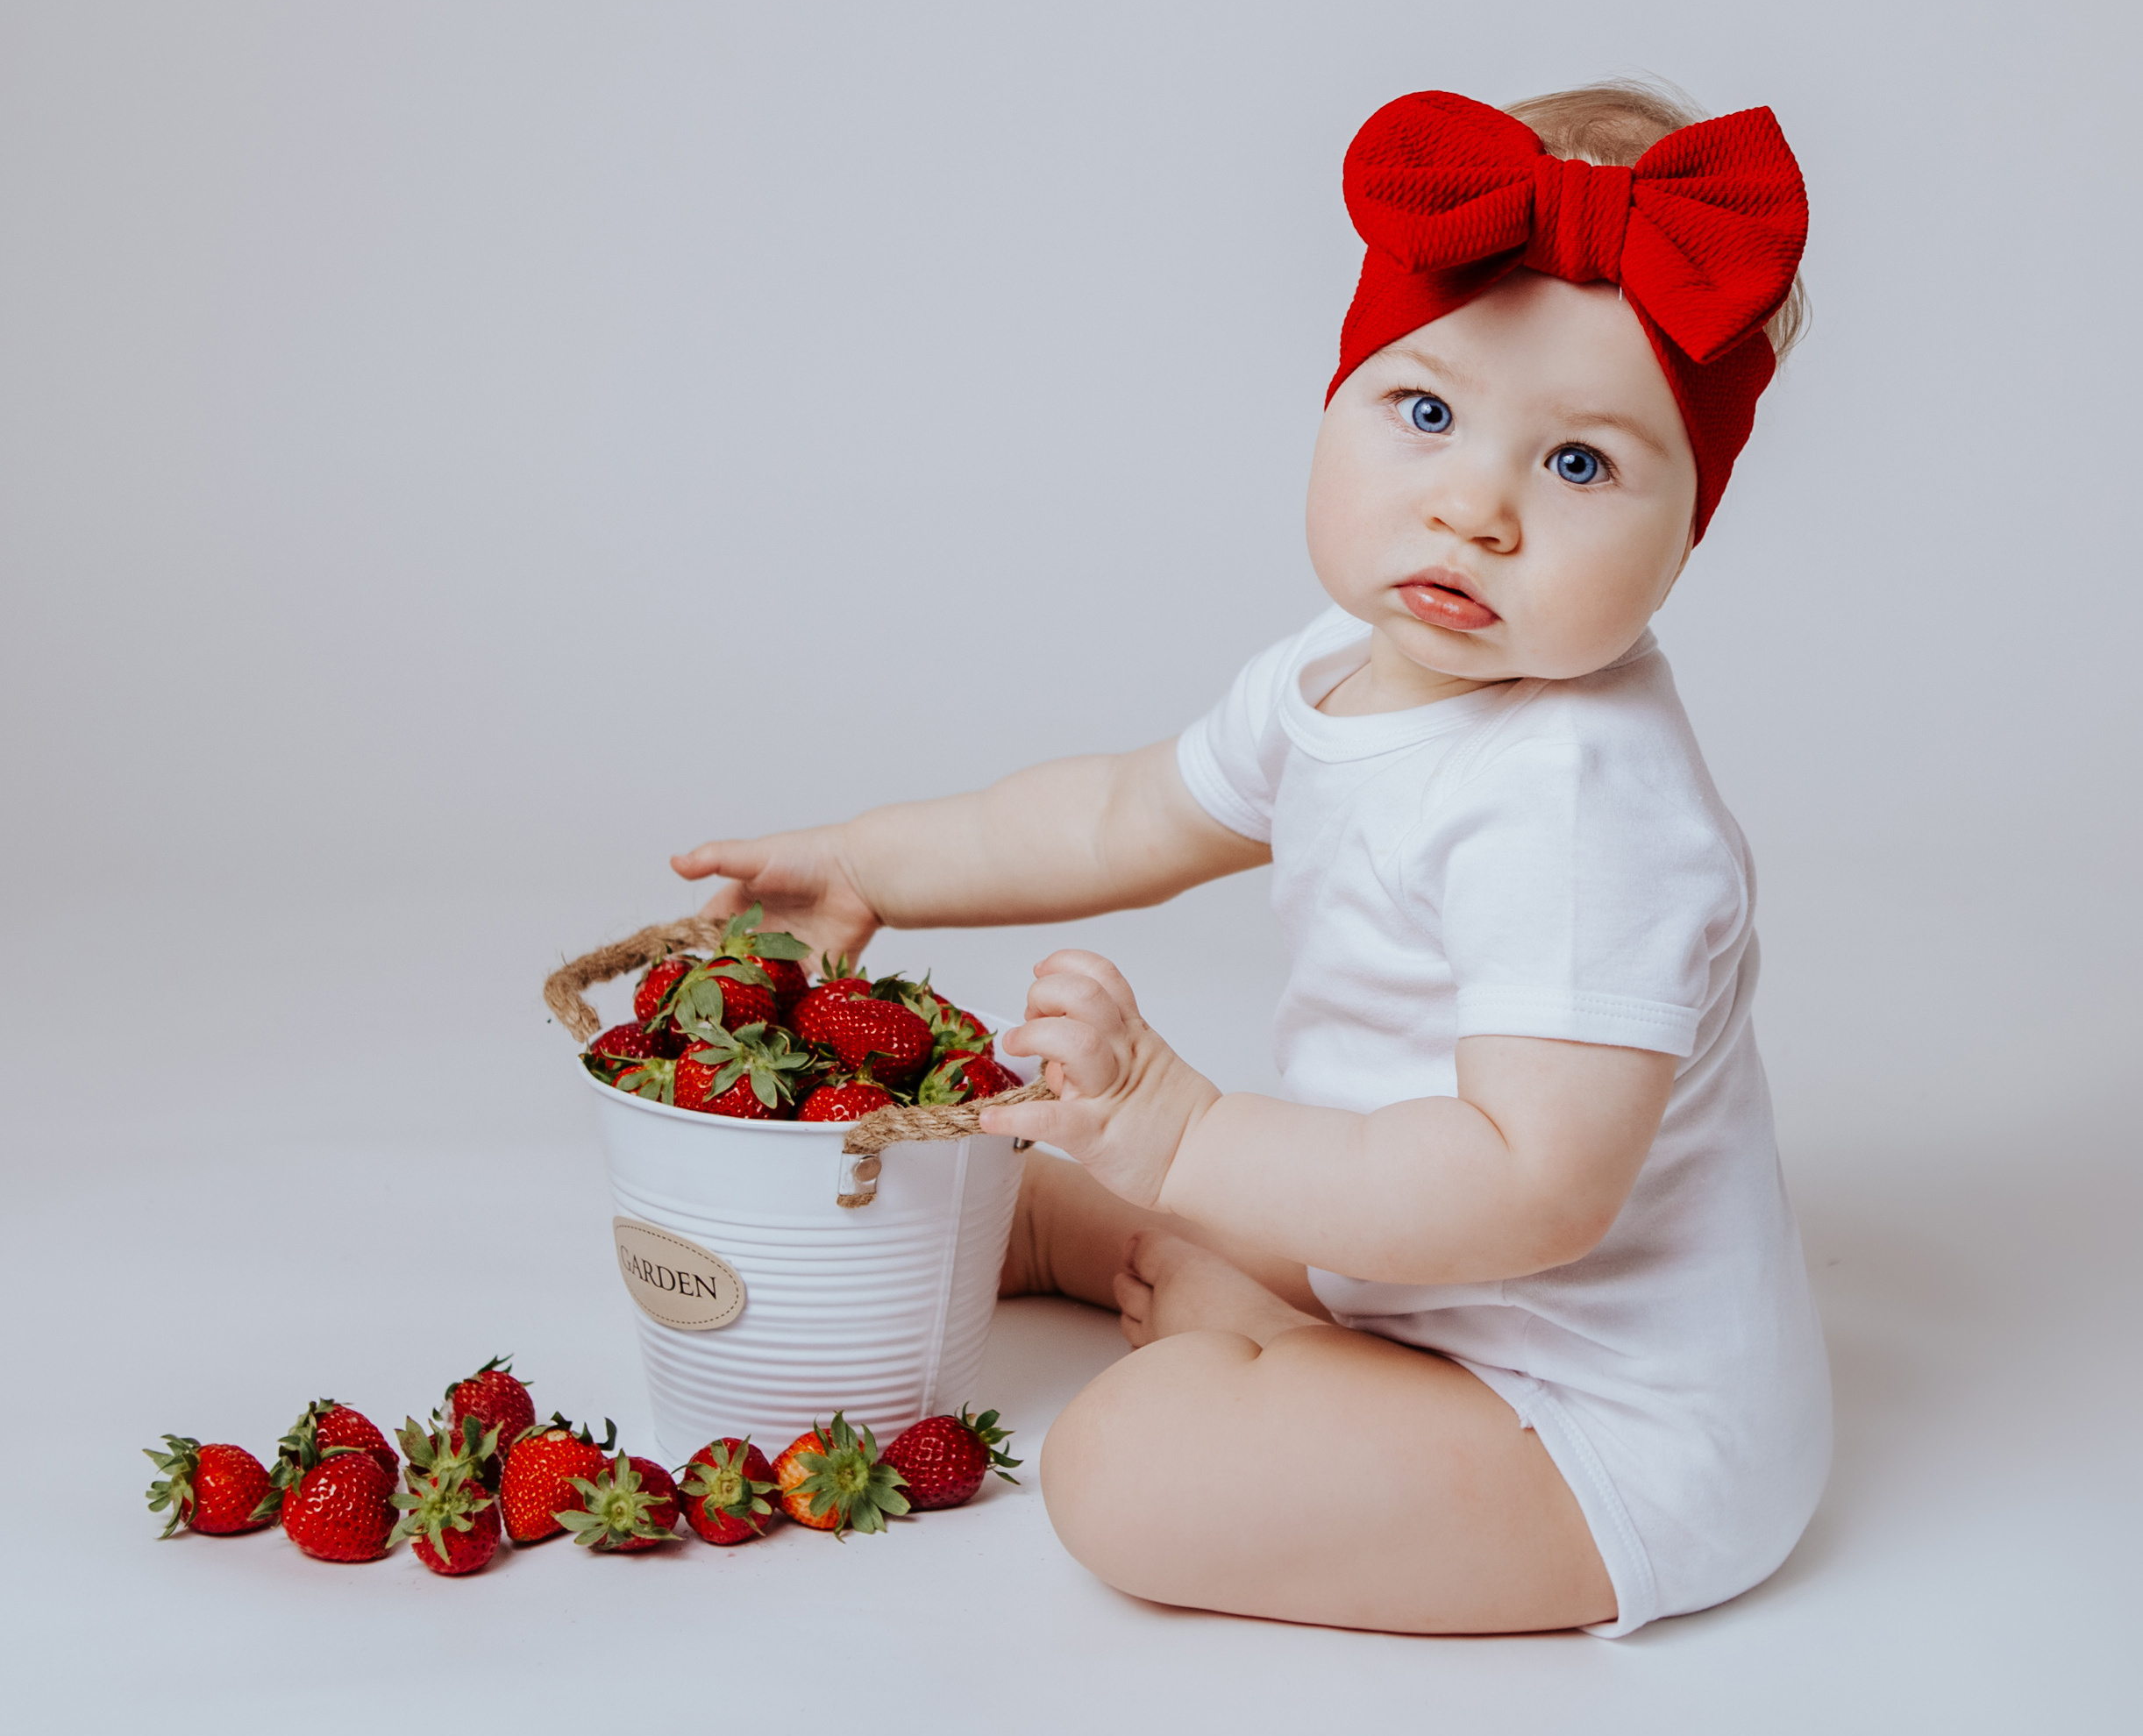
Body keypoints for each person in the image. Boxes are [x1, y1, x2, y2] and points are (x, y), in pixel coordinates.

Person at [671, 82, 1832, 1636]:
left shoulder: (1583, 803)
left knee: (1124, 1475)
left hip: (1596, 1430)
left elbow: (1532, 1191)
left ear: (1690, 529)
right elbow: (1119, 815)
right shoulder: (1340, 674)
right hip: (1400, 1254)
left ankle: (1265, 1334)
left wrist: (1185, 1135)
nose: (1472, 507)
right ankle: (1156, 1269)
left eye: (1577, 467)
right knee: (1059, 1173)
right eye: (1425, 414)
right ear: (1339, 397)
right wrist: (870, 862)